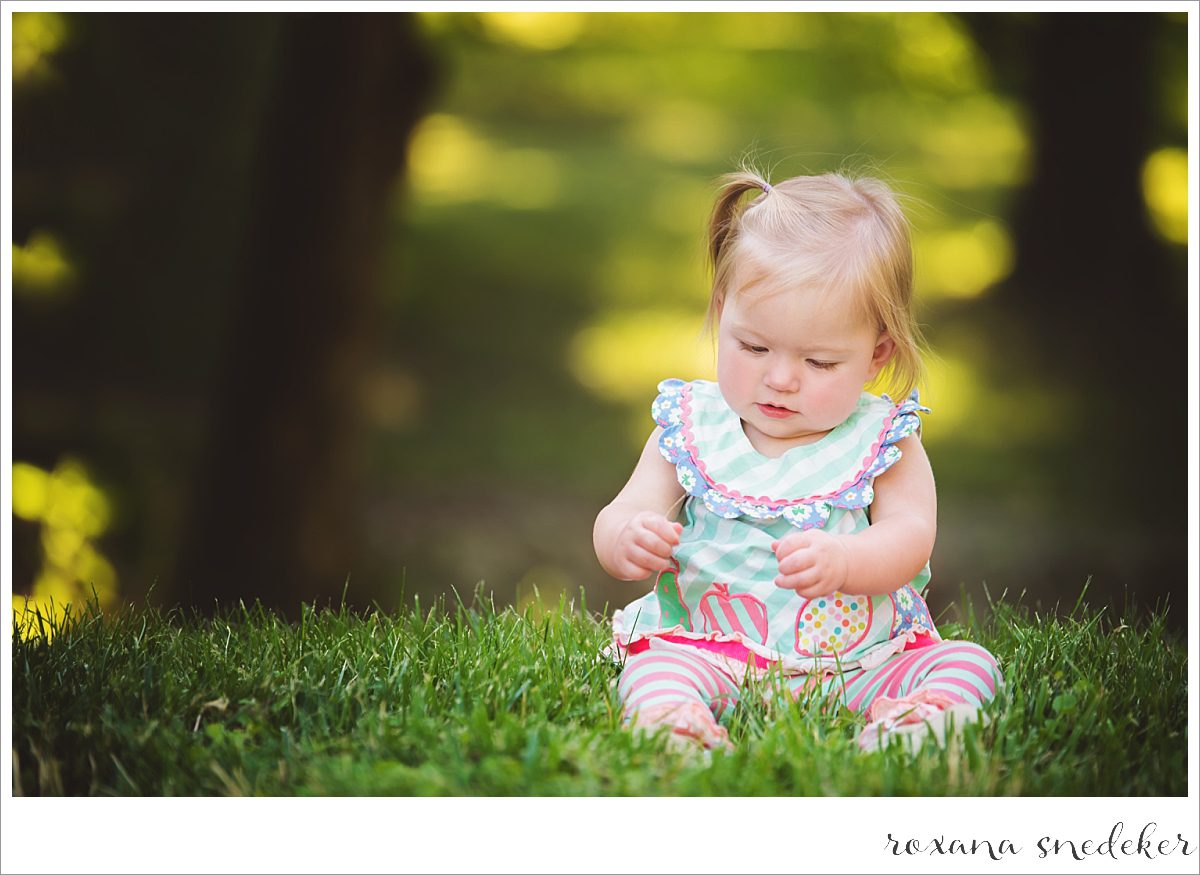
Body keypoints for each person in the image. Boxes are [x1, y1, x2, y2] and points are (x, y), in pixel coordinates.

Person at [593, 166, 1002, 753]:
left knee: (968, 662)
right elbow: (624, 509)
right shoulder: (691, 428)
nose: (781, 378)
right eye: (754, 346)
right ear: (722, 312)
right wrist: (626, 538)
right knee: (653, 668)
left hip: (858, 663)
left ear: (877, 354)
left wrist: (847, 560)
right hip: (713, 653)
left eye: (819, 362)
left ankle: (914, 723)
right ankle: (678, 728)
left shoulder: (882, 440)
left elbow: (912, 535)